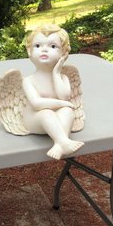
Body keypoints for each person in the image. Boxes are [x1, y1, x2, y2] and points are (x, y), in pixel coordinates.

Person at [22, 24, 84, 160]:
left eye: (53, 46)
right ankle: (64, 142)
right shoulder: (28, 80)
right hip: (34, 120)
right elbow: (37, 104)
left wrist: (56, 72)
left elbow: (64, 96)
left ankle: (59, 143)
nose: (44, 50)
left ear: (63, 53)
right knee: (46, 112)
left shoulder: (63, 78)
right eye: (37, 46)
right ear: (29, 51)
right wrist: (62, 103)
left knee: (68, 111)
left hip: (57, 119)